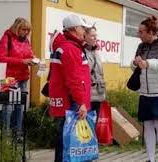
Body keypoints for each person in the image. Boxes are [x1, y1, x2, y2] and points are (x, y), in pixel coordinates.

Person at [48, 14, 92, 162]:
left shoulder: (69, 47)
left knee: (64, 143)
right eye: (82, 28)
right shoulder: (70, 49)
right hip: (71, 103)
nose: (84, 31)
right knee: (68, 145)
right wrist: (80, 102)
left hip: (68, 102)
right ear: (73, 29)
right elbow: (74, 80)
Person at [132, 15, 158, 162]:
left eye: (141, 31)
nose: (139, 34)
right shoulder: (141, 46)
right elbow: (135, 66)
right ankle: (150, 159)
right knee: (147, 125)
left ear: (150, 32)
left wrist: (148, 63)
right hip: (145, 92)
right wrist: (136, 63)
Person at [0, 17, 35, 137]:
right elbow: (0, 58)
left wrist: (34, 60)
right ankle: (6, 134)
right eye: (24, 29)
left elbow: (29, 54)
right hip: (9, 77)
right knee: (8, 106)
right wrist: (22, 61)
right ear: (17, 28)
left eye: (28, 30)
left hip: (23, 76)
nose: (26, 32)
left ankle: (18, 133)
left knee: (20, 106)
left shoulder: (26, 41)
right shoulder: (6, 38)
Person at [84, 25, 106, 120]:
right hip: (88, 95)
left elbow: (99, 72)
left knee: (94, 125)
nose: (95, 38)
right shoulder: (82, 51)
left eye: (96, 35)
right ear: (84, 36)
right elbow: (85, 71)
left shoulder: (95, 51)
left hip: (98, 94)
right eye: (92, 35)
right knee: (86, 127)